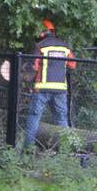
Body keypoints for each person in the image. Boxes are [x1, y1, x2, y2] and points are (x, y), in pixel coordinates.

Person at [22, 19, 76, 148]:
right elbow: (73, 65)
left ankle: (27, 151)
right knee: (61, 121)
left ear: (44, 31)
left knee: (34, 118)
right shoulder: (65, 46)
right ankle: (65, 151)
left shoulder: (40, 46)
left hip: (42, 89)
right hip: (60, 90)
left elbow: (34, 67)